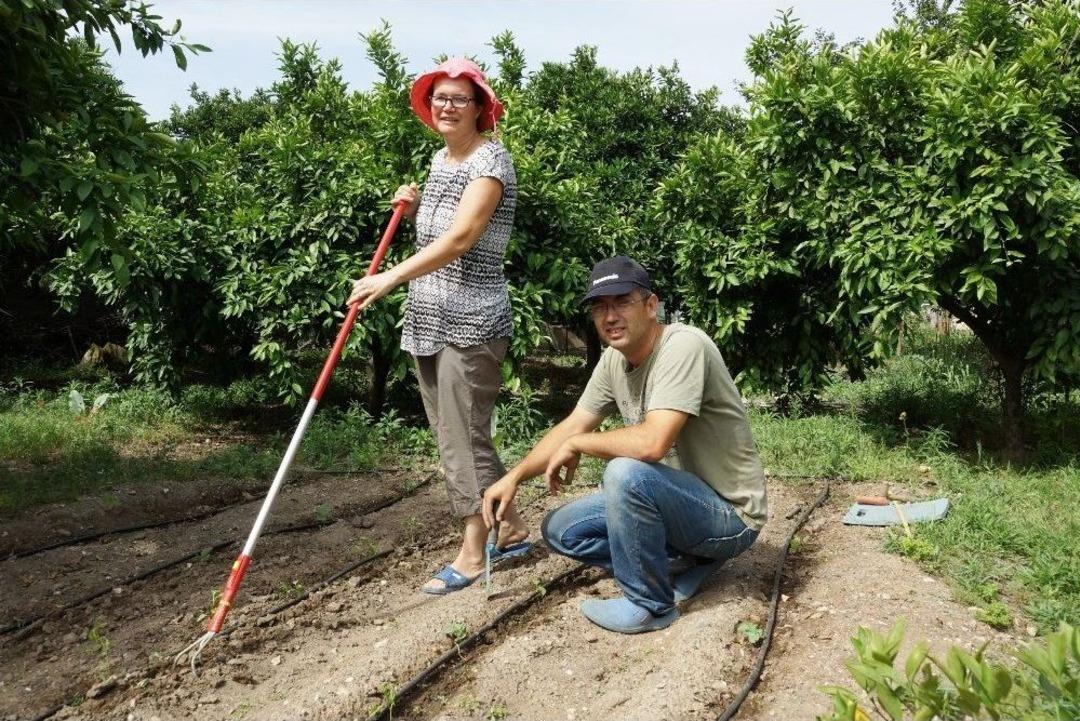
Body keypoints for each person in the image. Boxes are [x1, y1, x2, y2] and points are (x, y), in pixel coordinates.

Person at [482, 256, 768, 633]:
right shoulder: (614, 361)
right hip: (674, 503)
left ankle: (651, 604)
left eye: (621, 302)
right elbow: (573, 424)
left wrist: (583, 444)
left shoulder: (683, 346)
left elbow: (652, 443)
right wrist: (515, 476)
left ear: (652, 305)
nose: (610, 315)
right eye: (600, 306)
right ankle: (684, 563)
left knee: (626, 472)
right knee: (561, 530)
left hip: (729, 515)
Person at [347, 57, 530, 594]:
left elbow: (461, 239)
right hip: (428, 317)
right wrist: (414, 208)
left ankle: (473, 553)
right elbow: (440, 227)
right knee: (458, 434)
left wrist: (387, 279)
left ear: (481, 108)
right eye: (439, 98)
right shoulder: (442, 159)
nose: (447, 106)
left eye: (459, 99)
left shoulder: (490, 162)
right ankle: (512, 528)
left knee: (461, 439)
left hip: (469, 321)